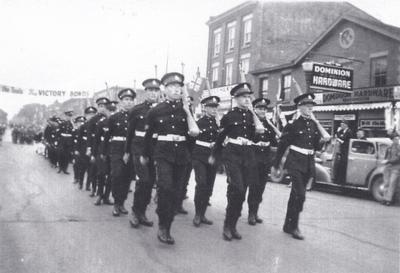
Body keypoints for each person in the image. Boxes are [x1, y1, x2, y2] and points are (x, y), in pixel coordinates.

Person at [141, 72, 199, 245]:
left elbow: (192, 135)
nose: (176, 89)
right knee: (165, 188)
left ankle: (168, 223)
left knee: (176, 193)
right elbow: (148, 135)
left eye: (178, 86)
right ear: (164, 90)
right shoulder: (155, 111)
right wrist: (146, 154)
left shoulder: (186, 109)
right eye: (172, 87)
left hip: (182, 155)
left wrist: (190, 154)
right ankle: (163, 227)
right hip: (163, 154)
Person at [210, 83, 264, 241]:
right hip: (232, 154)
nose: (247, 100)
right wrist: (215, 155)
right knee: (238, 189)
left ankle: (233, 225)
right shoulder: (229, 116)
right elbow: (221, 137)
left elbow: (254, 139)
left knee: (241, 193)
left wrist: (258, 132)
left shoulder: (252, 117)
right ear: (236, 99)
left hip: (248, 155)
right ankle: (227, 225)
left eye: (249, 97)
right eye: (244, 97)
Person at [272, 93, 330, 240]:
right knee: (300, 195)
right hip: (295, 162)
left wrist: (323, 141)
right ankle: (295, 226)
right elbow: (282, 145)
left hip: (308, 163)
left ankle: (288, 224)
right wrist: (276, 164)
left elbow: (316, 145)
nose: (310, 108)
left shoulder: (313, 125)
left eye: (311, 106)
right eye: (307, 106)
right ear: (300, 107)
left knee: (295, 195)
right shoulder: (293, 125)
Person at [124, 78, 161, 228]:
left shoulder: (161, 109)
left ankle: (142, 213)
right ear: (145, 92)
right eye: (150, 90)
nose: (153, 93)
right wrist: (127, 151)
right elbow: (130, 133)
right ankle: (135, 211)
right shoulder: (137, 110)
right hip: (138, 150)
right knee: (143, 180)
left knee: (150, 182)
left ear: (159, 92)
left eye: (156, 90)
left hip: (154, 150)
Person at [102, 89, 135, 216]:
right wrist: (104, 153)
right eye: (126, 100)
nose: (128, 102)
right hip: (116, 150)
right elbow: (106, 136)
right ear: (121, 102)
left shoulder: (136, 117)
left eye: (130, 100)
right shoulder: (114, 118)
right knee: (117, 175)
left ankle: (122, 202)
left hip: (131, 150)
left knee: (127, 177)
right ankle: (116, 203)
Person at [248, 98, 279, 226]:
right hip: (254, 157)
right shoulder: (250, 122)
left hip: (265, 159)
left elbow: (273, 141)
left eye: (264, 109)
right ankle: (251, 214)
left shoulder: (268, 123)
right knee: (254, 186)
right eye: (260, 108)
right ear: (254, 109)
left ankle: (255, 212)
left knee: (261, 187)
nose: (262, 111)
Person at [192, 95, 220, 227]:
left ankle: (203, 214)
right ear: (205, 108)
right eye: (211, 107)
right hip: (200, 156)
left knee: (209, 186)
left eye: (215, 107)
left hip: (213, 157)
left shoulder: (218, 123)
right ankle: (197, 214)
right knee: (201, 184)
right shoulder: (199, 122)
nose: (214, 110)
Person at [86, 97, 111, 194]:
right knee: (97, 171)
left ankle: (106, 195)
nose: (102, 108)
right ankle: (95, 190)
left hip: (109, 148)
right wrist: (90, 149)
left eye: (104, 106)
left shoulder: (111, 118)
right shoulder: (93, 120)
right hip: (97, 148)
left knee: (109, 173)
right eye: (100, 106)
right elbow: (89, 136)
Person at [74, 107, 97, 190]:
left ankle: (88, 185)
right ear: (86, 116)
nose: (91, 116)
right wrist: (77, 149)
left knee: (91, 169)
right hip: (83, 149)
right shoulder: (83, 126)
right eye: (89, 114)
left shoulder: (97, 125)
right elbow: (79, 139)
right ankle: (81, 183)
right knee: (82, 168)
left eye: (93, 114)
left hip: (93, 148)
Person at [381, 134, 400, 206]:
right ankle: (384, 198)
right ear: (392, 140)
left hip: (396, 167)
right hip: (388, 167)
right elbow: (386, 156)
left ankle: (388, 200)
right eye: (395, 139)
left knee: (392, 183)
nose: (397, 140)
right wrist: (385, 161)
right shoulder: (389, 147)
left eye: (398, 139)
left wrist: (388, 161)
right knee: (386, 183)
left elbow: (398, 159)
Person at [334, 120, 352, 184]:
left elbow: (344, 141)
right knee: (340, 165)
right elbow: (338, 136)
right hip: (342, 151)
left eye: (342, 124)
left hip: (346, 151)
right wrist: (338, 133)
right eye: (341, 125)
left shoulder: (349, 131)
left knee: (343, 165)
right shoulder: (342, 131)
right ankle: (338, 180)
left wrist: (338, 137)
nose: (341, 126)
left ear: (346, 125)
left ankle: (342, 181)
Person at [57, 110, 74, 174]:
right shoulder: (62, 124)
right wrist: (57, 141)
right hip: (62, 141)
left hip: (69, 142)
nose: (68, 117)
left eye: (70, 116)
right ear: (65, 116)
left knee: (66, 156)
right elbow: (58, 133)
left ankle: (65, 169)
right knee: (60, 155)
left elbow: (73, 134)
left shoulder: (72, 124)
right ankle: (60, 168)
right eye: (67, 116)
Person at [72, 116, 86, 184]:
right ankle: (76, 177)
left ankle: (80, 178)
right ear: (76, 123)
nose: (81, 124)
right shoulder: (74, 131)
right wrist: (73, 150)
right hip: (75, 149)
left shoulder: (85, 131)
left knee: (82, 165)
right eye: (79, 122)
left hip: (82, 150)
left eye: (82, 122)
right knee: (75, 164)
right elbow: (72, 141)